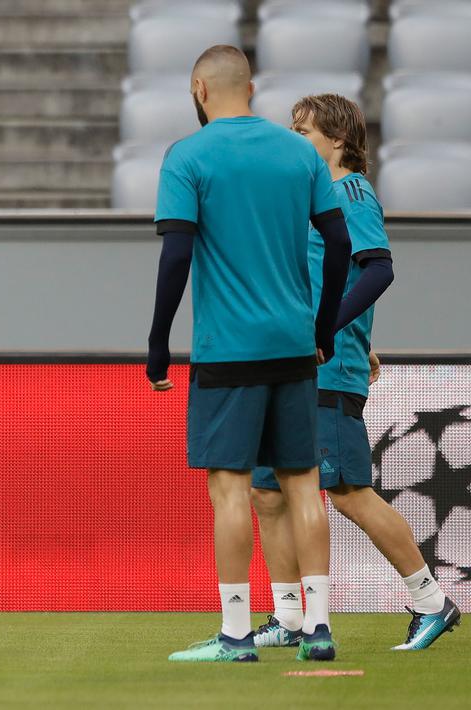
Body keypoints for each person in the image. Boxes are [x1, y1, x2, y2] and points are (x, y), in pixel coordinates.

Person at [146, 45, 351, 662]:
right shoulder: (299, 153)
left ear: (199, 89)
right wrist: (322, 328)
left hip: (227, 351)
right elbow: (339, 245)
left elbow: (176, 256)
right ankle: (318, 628)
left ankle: (236, 634)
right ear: (252, 89)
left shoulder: (187, 156)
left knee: (230, 490)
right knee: (303, 487)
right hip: (293, 346)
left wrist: (158, 345)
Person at [251, 94, 460, 652]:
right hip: (291, 367)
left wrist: (331, 332)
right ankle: (289, 618)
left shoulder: (351, 191)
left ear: (337, 140)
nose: (294, 136)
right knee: (268, 491)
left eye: (304, 129)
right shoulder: (315, 200)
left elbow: (378, 270)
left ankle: (431, 600)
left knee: (346, 491)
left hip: (324, 369)